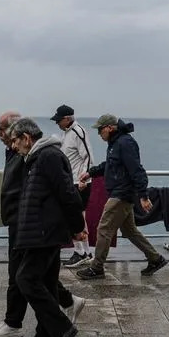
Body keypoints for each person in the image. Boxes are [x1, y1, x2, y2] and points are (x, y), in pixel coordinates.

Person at [0, 112, 85, 337]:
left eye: (5, 132)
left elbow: (65, 193)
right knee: (42, 276)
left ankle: (36, 325)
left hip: (35, 227)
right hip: (30, 225)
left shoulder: (43, 156)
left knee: (23, 277)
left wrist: (77, 227)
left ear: (24, 136)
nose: (1, 136)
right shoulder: (29, 154)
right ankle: (46, 334)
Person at [76, 114, 168, 279]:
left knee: (103, 229)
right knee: (129, 230)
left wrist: (143, 195)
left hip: (122, 194)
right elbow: (110, 165)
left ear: (110, 128)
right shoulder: (115, 143)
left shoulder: (125, 143)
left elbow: (137, 170)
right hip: (121, 193)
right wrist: (90, 173)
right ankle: (155, 259)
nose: (99, 133)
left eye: (100, 130)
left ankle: (96, 268)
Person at [50, 104, 95, 267]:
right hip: (71, 181)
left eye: (59, 120)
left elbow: (88, 156)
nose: (57, 123)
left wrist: (84, 178)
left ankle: (81, 252)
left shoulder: (78, 132)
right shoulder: (66, 133)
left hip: (79, 182)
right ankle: (85, 252)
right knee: (77, 217)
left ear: (67, 118)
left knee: (75, 217)